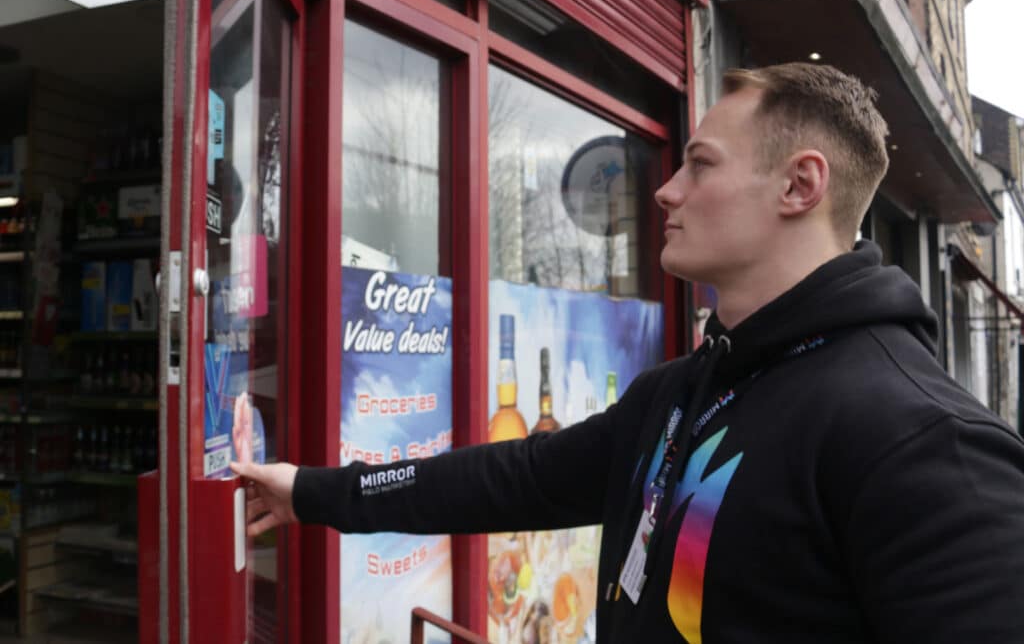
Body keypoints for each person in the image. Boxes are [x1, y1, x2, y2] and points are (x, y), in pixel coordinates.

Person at [231, 63, 1024, 643]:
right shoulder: (683, 391)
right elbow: (516, 477)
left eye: (700, 163)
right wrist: (314, 491)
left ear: (799, 186)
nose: (665, 190)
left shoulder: (923, 442)